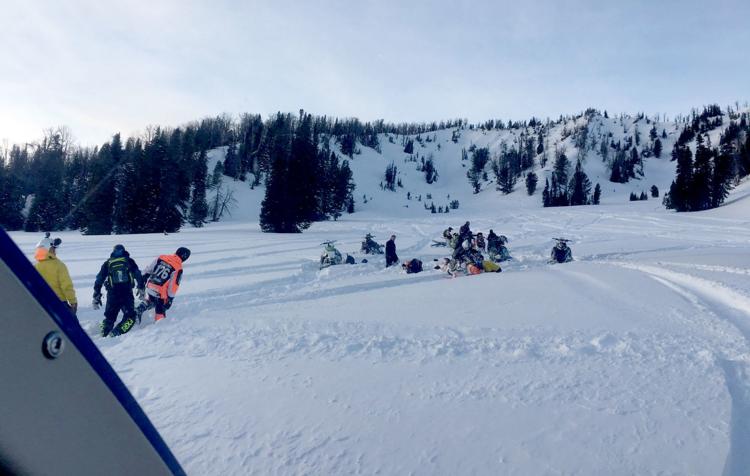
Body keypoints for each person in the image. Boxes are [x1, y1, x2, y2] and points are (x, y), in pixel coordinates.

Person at [93, 244, 145, 337]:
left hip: (112, 293)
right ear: (124, 251)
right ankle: (117, 332)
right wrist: (141, 287)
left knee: (109, 317)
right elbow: (138, 274)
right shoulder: (129, 261)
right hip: (126, 293)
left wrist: (96, 294)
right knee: (130, 317)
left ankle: (104, 332)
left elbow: (99, 279)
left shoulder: (107, 263)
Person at [133, 247, 190, 327]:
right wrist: (170, 299)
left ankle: (139, 309)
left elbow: (148, 270)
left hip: (150, 286)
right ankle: (159, 326)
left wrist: (143, 279)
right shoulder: (178, 268)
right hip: (160, 292)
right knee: (160, 309)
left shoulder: (162, 257)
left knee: (151, 301)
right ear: (185, 257)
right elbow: (173, 286)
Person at [33, 234, 77, 315]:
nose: (55, 251)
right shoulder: (59, 265)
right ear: (48, 249)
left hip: (41, 304)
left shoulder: (35, 267)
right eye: (53, 248)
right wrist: (72, 301)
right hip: (59, 303)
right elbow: (66, 286)